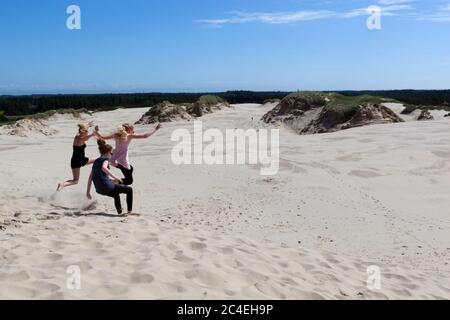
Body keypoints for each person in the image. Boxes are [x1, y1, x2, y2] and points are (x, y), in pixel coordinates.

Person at [94, 123, 161, 185]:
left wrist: (97, 131)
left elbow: (103, 137)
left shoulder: (116, 135)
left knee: (131, 168)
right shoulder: (129, 136)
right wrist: (155, 130)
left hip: (114, 159)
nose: (134, 131)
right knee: (129, 181)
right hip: (122, 161)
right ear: (128, 130)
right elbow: (145, 136)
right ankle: (111, 182)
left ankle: (115, 182)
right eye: (132, 130)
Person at [86, 139, 133, 215]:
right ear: (108, 152)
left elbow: (90, 177)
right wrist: (115, 177)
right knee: (129, 190)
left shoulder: (96, 161)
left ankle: (119, 212)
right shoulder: (106, 159)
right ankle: (129, 212)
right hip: (106, 187)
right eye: (112, 152)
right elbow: (104, 168)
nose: (112, 153)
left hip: (99, 189)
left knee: (116, 195)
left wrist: (87, 192)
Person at [57, 121, 96, 191]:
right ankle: (98, 174)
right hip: (81, 160)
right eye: (87, 133)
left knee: (75, 180)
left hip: (74, 161)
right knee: (97, 160)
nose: (87, 133)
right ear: (84, 133)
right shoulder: (82, 138)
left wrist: (88, 125)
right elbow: (87, 137)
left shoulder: (77, 135)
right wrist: (93, 134)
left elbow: (83, 130)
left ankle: (63, 184)